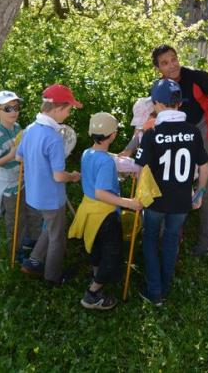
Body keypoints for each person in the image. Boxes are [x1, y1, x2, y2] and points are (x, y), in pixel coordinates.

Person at [150, 44, 208, 256]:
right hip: (175, 142)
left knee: (207, 191)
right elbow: (153, 116)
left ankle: (206, 242)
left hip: (203, 139)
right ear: (158, 69)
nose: (172, 65)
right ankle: (172, 236)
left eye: (173, 59)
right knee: (170, 188)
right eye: (165, 63)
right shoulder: (159, 88)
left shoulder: (198, 78)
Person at [134, 79, 208, 305]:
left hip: (155, 200)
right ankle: (165, 287)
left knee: (149, 240)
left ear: (157, 103)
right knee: (170, 241)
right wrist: (200, 193)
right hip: (181, 202)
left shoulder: (152, 133)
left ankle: (154, 290)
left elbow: (140, 170)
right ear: (178, 104)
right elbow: (204, 168)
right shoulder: (193, 132)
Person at [68, 112, 143, 310]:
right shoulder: (106, 162)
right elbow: (101, 192)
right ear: (113, 135)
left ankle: (96, 273)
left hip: (89, 210)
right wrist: (129, 202)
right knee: (112, 254)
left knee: (95, 247)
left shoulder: (87, 153)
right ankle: (93, 293)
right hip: (105, 214)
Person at [16, 84, 82, 285]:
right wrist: (73, 176)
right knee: (57, 237)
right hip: (51, 197)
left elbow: (19, 157)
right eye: (68, 110)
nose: (68, 115)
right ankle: (53, 277)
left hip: (34, 194)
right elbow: (59, 177)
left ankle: (34, 261)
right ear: (57, 109)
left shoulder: (30, 129)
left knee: (50, 227)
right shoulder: (53, 137)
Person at [0, 90, 42, 260]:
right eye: (7, 108)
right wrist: (10, 156)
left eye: (16, 107)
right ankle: (16, 252)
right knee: (16, 219)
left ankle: (32, 243)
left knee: (32, 211)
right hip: (9, 185)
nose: (14, 112)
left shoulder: (17, 128)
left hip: (23, 180)